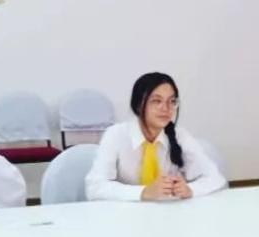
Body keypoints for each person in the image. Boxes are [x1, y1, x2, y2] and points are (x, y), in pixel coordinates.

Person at [86, 72, 226, 202]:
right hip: (125, 214)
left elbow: (215, 178)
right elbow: (95, 187)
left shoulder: (180, 135)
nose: (166, 108)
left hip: (168, 212)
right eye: (156, 101)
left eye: (172, 101)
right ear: (139, 104)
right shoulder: (116, 135)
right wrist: (143, 192)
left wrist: (190, 190)